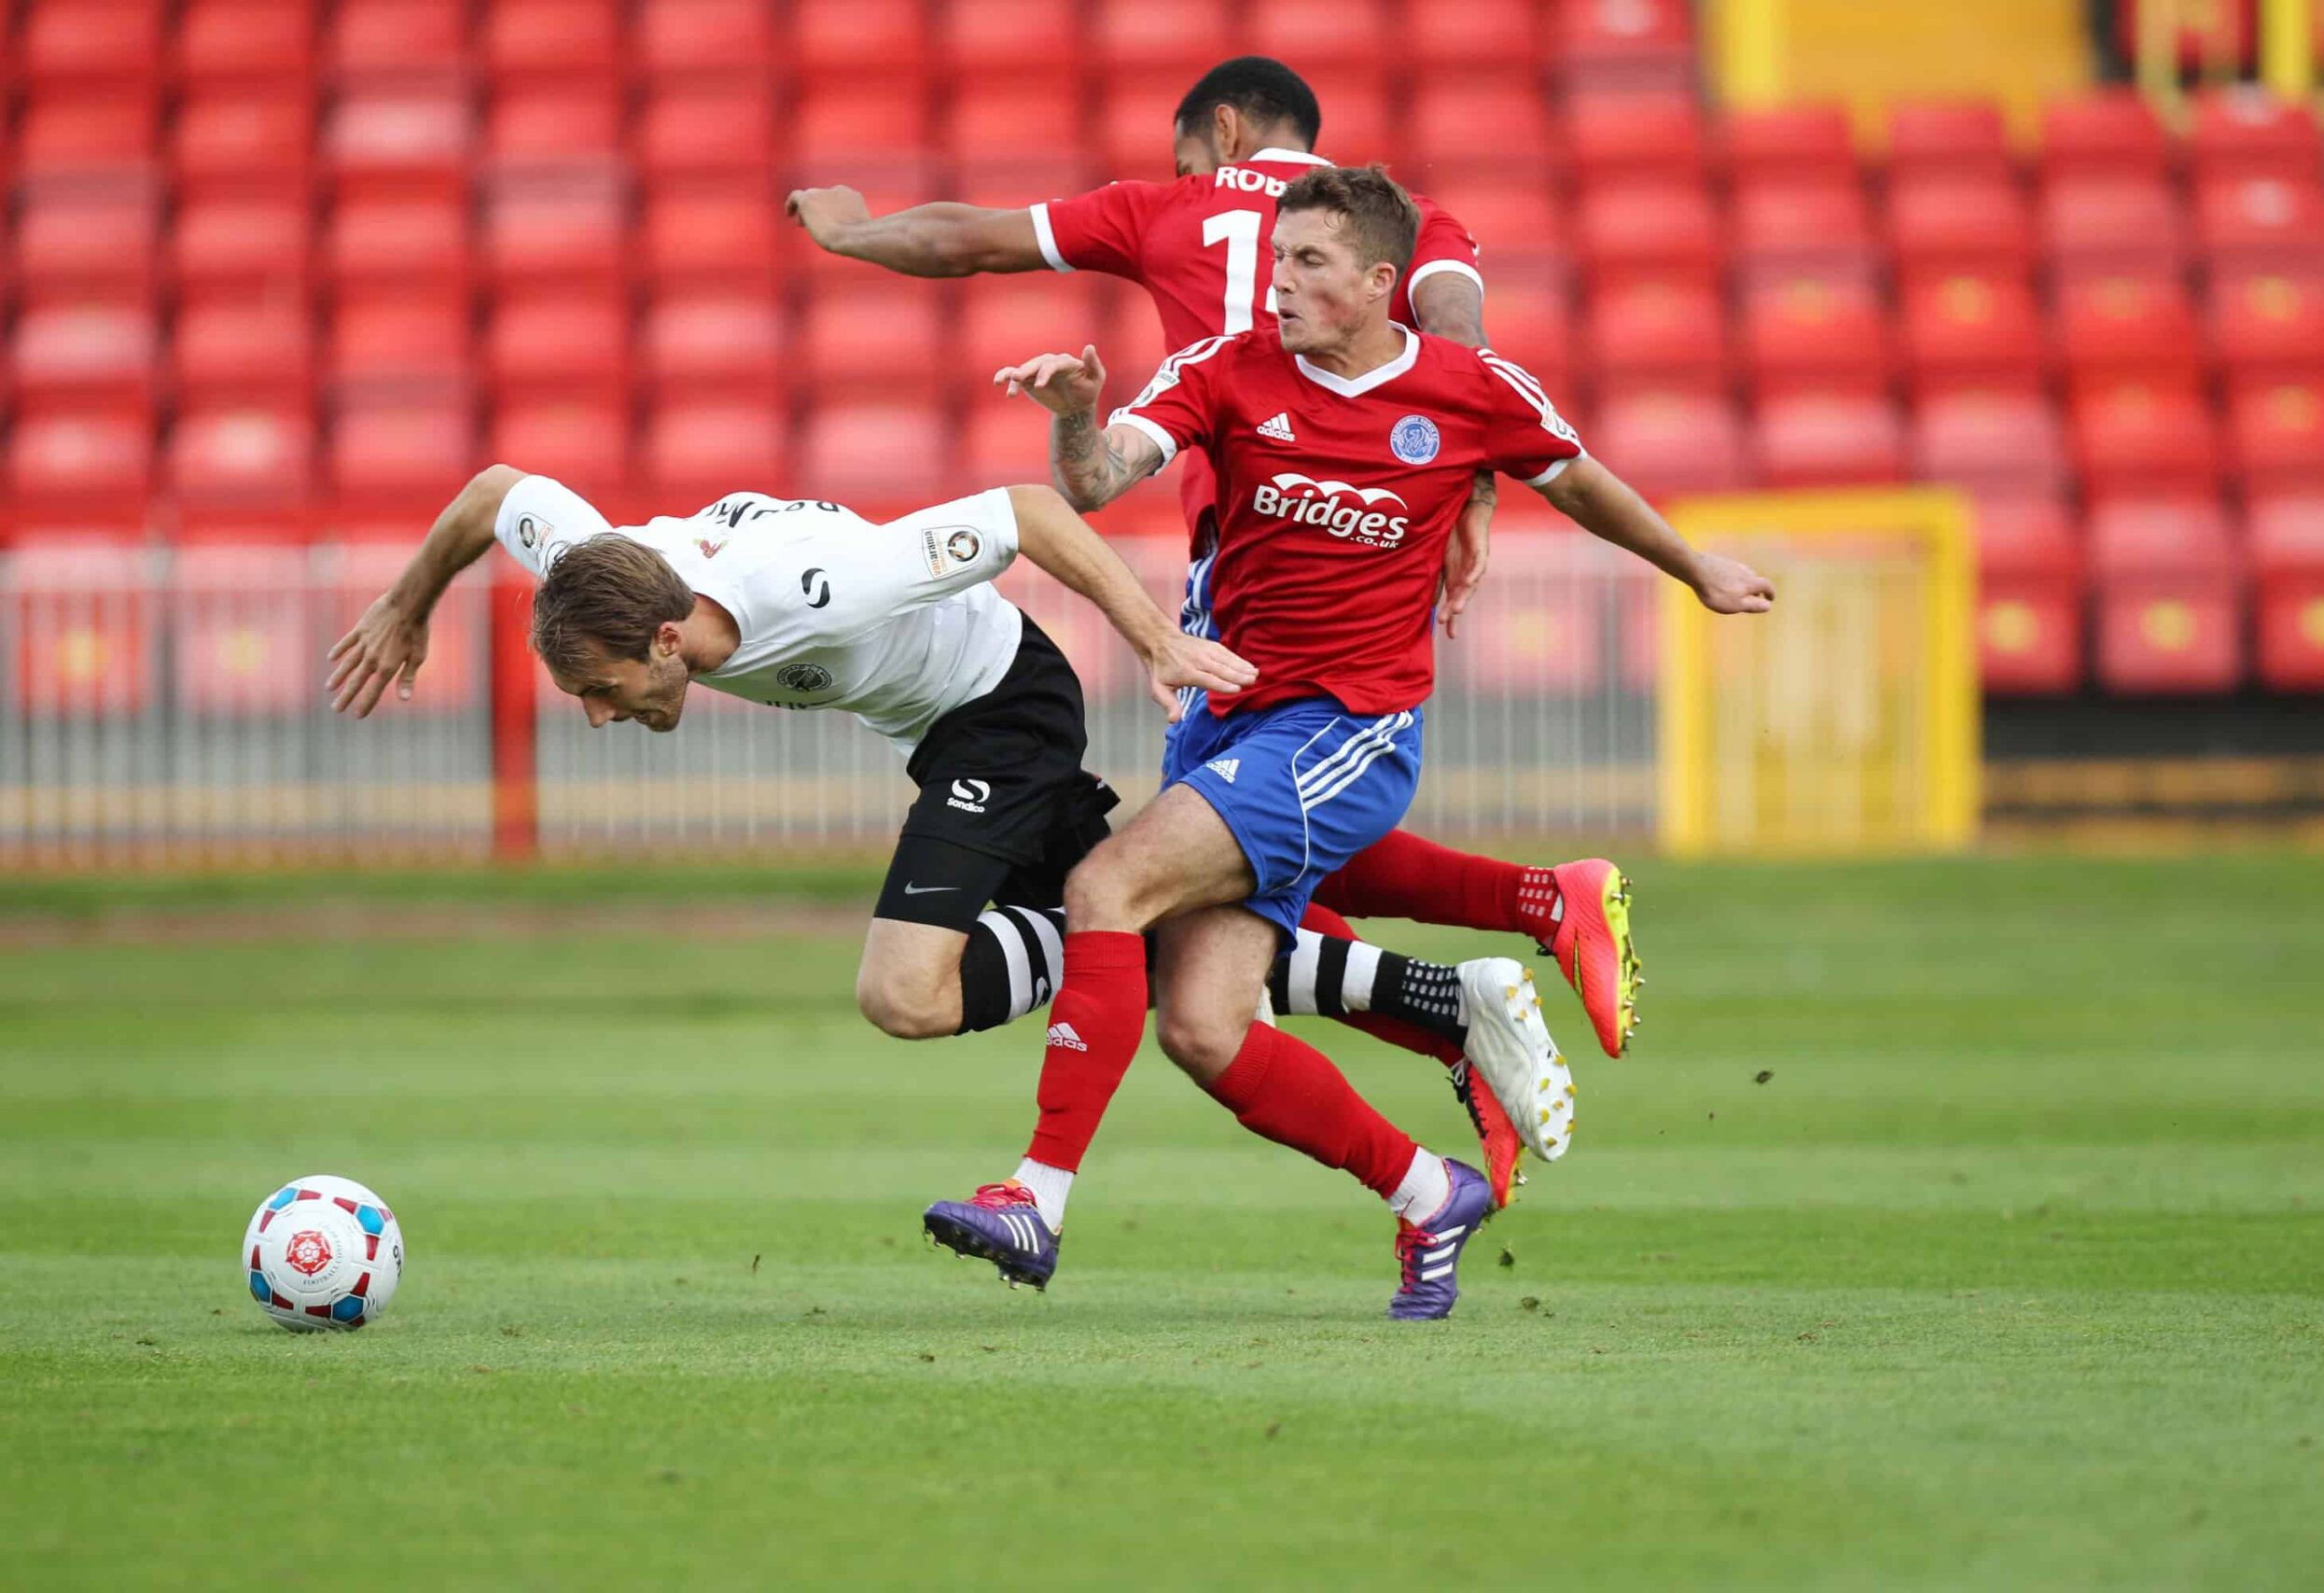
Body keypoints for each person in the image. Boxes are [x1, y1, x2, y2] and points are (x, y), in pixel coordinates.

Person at [925, 166, 1774, 1320]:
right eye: (1276, 263)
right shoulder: (1225, 371)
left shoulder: (1471, 390)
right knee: (1204, 1027)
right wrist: (1076, 408)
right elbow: (1095, 476)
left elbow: (1578, 483)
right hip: (1228, 723)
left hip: (1350, 729)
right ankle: (1432, 1192)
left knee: (1106, 883)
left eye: (1308, 265)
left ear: (1381, 283)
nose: (1277, 286)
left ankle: (1037, 1194)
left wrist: (1696, 569)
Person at [323, 468, 1568, 1195]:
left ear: (664, 643)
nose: (594, 719)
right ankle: (1449, 998)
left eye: (597, 691)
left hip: (998, 702)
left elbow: (1026, 507)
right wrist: (404, 601)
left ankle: (1456, 975)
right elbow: (497, 494)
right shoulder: (595, 564)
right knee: (1157, 929)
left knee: (916, 985)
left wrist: (1152, 639)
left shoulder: (819, 584)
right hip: (938, 730)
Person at [787, 56, 1647, 1064]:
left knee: (1193, 863)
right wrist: (1479, 487)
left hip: (1252, 552)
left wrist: (849, 231)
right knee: (1258, 832)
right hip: (1361, 537)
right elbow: (1464, 353)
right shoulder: (1411, 220)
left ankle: (1457, 1012)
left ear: (1224, 132)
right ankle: (1519, 931)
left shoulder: (1166, 204)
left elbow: (965, 240)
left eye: (1187, 147)